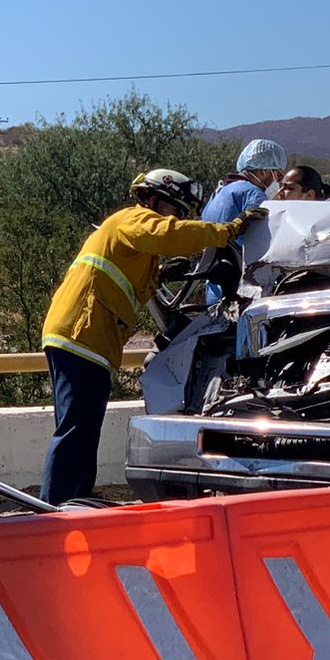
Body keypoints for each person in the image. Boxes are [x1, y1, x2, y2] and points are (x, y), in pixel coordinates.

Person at [39, 169, 264, 504]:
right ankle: (55, 506)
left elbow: (143, 286)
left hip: (85, 336)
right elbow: (169, 233)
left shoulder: (135, 244)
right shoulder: (134, 219)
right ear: (158, 200)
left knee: (83, 429)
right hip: (83, 333)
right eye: (177, 210)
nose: (178, 218)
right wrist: (229, 230)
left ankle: (74, 501)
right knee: (76, 429)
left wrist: (162, 274)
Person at [200, 138, 287, 302]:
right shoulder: (253, 195)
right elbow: (262, 244)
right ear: (263, 171)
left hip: (213, 286)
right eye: (278, 174)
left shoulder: (220, 192)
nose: (279, 182)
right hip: (236, 289)